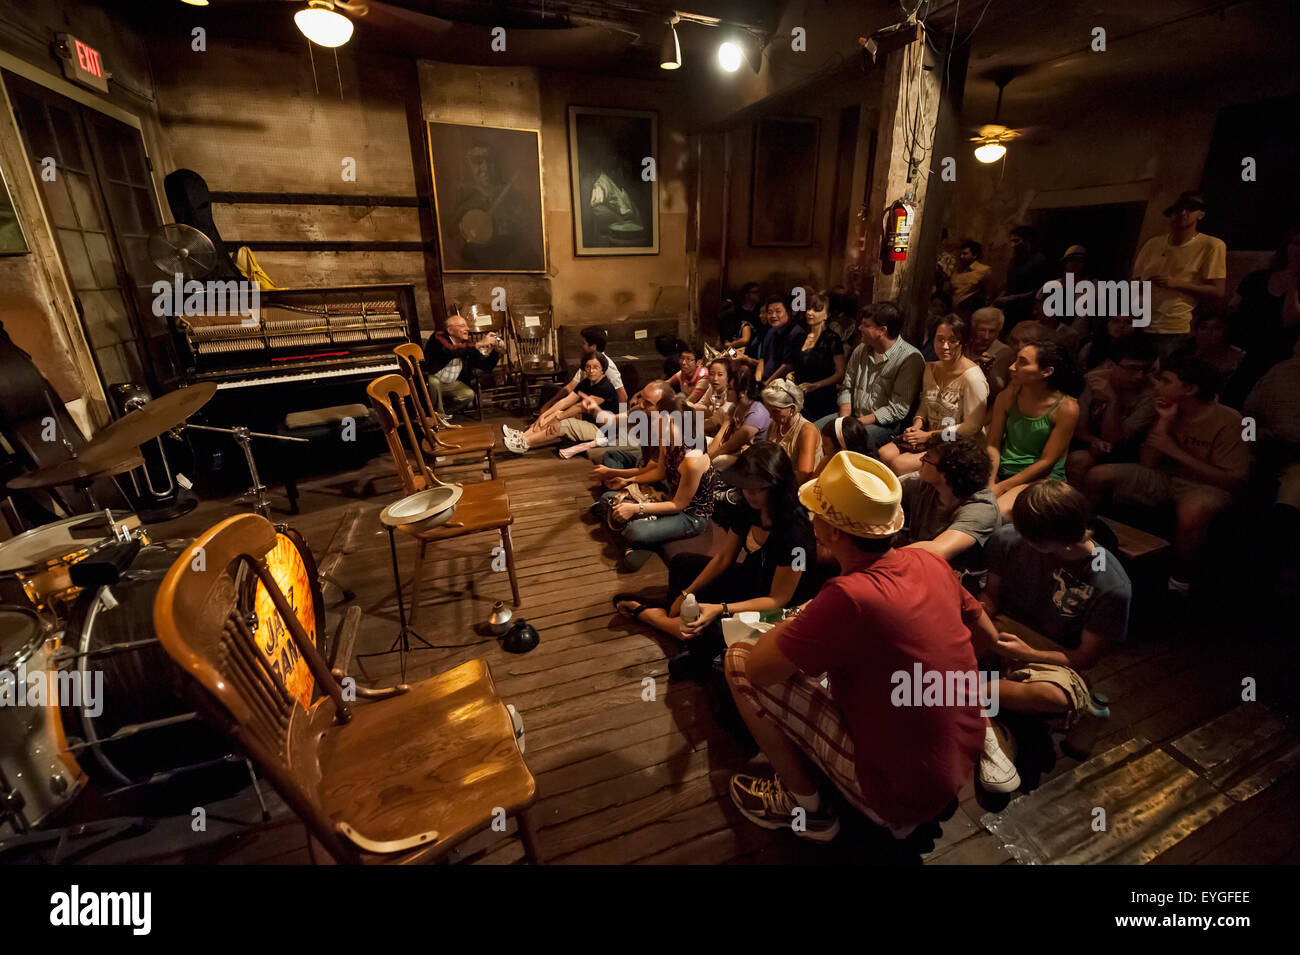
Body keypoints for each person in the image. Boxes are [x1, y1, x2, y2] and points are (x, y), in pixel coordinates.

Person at [722, 451, 990, 839]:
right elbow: (982, 632)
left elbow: (759, 669)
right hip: (959, 759)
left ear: (832, 531)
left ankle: (807, 809)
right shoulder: (927, 559)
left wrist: (803, 617)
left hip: (898, 795)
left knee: (737, 660)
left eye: (816, 513)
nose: (811, 520)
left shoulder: (850, 596)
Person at [613, 442, 818, 680]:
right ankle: (683, 625)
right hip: (752, 579)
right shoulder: (749, 508)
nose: (750, 493)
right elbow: (723, 558)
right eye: (745, 486)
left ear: (777, 486)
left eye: (758, 488)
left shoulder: (796, 533)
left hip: (778, 606)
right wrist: (685, 593)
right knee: (682, 563)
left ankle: (652, 617)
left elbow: (777, 599)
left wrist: (719, 609)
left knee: (713, 629)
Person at [978, 481, 1131, 761]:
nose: (1017, 533)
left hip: (1052, 652)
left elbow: (1085, 658)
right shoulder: (1007, 539)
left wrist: (1029, 654)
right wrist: (976, 613)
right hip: (1003, 625)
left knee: (1055, 697)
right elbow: (991, 597)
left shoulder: (1110, 582)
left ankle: (962, 692)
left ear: (1044, 540)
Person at [1082, 355, 1247, 595]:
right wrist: (1164, 422)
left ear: (1189, 389)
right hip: (1166, 477)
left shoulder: (1231, 421)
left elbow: (1233, 482)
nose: (1156, 385)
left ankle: (1179, 583)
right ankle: (1083, 544)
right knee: (1097, 475)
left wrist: (1173, 450)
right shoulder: (1168, 409)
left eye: (1165, 381)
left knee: (1193, 510)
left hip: (1208, 485)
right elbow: (1148, 463)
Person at [606, 401, 726, 569]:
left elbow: (679, 505)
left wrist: (636, 509)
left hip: (691, 516)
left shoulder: (693, 460)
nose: (658, 426)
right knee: (608, 499)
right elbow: (659, 473)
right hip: (669, 498)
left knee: (633, 530)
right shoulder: (667, 441)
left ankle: (643, 537)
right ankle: (647, 536)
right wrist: (628, 481)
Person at [879, 314, 988, 476]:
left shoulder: (973, 378)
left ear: (962, 342)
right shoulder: (930, 369)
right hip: (930, 437)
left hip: (957, 443)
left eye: (952, 341)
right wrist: (916, 426)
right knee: (884, 453)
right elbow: (924, 407)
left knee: (899, 464)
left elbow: (972, 427)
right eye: (940, 339)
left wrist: (927, 435)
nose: (945, 346)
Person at [986, 340, 1080, 519]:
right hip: (1001, 473)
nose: (1012, 367)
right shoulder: (1007, 396)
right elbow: (993, 443)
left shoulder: (1067, 408)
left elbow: (1047, 462)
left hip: (1039, 480)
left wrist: (1002, 487)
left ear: (1046, 372)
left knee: (994, 515)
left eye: (1022, 362)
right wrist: (990, 481)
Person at [1132, 191, 1227, 358]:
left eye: (1190, 209)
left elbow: (1218, 291)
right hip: (1141, 321)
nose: (1183, 213)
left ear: (1200, 214)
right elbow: (1134, 281)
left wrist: (1177, 284)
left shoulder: (1211, 245)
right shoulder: (1153, 244)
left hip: (1173, 326)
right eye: (1178, 209)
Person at [898, 436, 1001, 586]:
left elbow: (937, 550)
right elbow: (883, 489)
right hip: (922, 570)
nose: (921, 461)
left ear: (947, 473)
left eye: (927, 458)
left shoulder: (981, 508)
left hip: (957, 584)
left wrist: (883, 560)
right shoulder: (925, 484)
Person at [1066, 333, 1158, 485]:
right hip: (1089, 443)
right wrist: (1094, 440)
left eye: (1146, 369)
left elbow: (1115, 440)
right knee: (1080, 459)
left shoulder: (1151, 394)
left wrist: (1113, 401)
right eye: (1132, 368)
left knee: (1085, 461)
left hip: (1128, 452)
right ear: (1111, 365)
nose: (1140, 376)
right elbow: (1078, 427)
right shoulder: (1093, 380)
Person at [834, 302, 924, 451]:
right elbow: (847, 387)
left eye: (866, 325)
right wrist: (844, 421)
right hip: (853, 417)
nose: (859, 328)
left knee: (853, 442)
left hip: (886, 425)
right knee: (816, 431)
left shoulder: (910, 358)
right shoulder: (861, 349)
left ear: (882, 330)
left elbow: (898, 408)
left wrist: (856, 424)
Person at [504, 353, 616, 453]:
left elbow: (579, 407)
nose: (591, 370)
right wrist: (544, 415)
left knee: (564, 424)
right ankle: (522, 436)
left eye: (596, 367)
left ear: (603, 369)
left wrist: (557, 418)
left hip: (603, 431)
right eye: (588, 367)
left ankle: (525, 443)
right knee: (555, 413)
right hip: (589, 422)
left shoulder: (605, 387)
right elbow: (566, 401)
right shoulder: (587, 382)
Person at [1230, 226, 1300, 379]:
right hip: (1240, 349)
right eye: (1296, 243)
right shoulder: (1256, 278)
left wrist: (1293, 285)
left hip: (1277, 355)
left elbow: (1290, 321)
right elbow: (1231, 310)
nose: (1298, 250)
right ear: (1287, 246)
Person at [534, 325, 627, 417]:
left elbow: (623, 396)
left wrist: (619, 425)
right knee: (549, 389)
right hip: (581, 397)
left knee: (561, 406)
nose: (581, 346)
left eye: (584, 343)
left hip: (593, 407)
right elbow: (570, 387)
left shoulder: (607, 365)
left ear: (593, 347)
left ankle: (545, 422)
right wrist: (550, 403)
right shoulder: (588, 361)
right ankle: (540, 421)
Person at [424, 313, 502, 415]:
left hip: (450, 384)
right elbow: (450, 350)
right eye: (462, 326)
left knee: (468, 394)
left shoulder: (466, 344)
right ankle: (438, 418)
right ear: (450, 330)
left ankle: (442, 414)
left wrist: (495, 350)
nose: (468, 329)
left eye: (466, 325)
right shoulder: (438, 336)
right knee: (434, 381)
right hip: (431, 382)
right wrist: (479, 344)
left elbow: (486, 366)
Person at [1170, 308, 1247, 408]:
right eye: (1203, 327)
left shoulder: (1240, 360)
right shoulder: (1182, 354)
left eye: (1217, 328)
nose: (1208, 332)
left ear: (1227, 332)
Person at [787, 291, 846, 422]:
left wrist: (816, 385)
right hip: (800, 396)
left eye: (816, 309)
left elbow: (840, 374)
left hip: (822, 398)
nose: (810, 312)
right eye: (808, 308)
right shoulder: (801, 336)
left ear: (826, 315)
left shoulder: (832, 339)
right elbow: (799, 365)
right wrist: (792, 375)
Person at [588, 379, 667, 470]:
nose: (641, 404)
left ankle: (623, 481)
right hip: (644, 462)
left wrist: (614, 473)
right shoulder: (640, 410)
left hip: (657, 471)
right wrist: (595, 408)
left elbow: (656, 471)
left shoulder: (667, 426)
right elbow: (611, 421)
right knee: (611, 456)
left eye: (648, 403)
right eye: (640, 397)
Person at [708, 364, 770, 469]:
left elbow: (729, 446)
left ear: (743, 392)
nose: (726, 391)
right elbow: (722, 436)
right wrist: (726, 422)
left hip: (753, 460)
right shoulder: (736, 405)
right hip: (736, 450)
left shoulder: (756, 414)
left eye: (730, 389)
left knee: (717, 461)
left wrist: (707, 460)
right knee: (702, 444)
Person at [761, 379, 822, 484]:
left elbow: (804, 474)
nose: (771, 416)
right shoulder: (775, 425)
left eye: (776, 411)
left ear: (792, 409)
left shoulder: (807, 431)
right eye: (769, 411)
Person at [994, 226, 1052, 326]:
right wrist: (1001, 297)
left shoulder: (1039, 260)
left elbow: (1040, 290)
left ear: (1027, 240)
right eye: (1011, 241)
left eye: (1016, 241)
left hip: (1029, 310)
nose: (1012, 245)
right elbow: (1010, 284)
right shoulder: (1014, 260)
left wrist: (1012, 298)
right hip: (1011, 310)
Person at [988, 320, 1045, 402]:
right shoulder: (1007, 357)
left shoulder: (1043, 365)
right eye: (1016, 342)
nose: (1020, 346)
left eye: (1026, 342)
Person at [756, 296, 807, 384]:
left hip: (784, 383)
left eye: (778, 311)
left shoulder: (797, 333)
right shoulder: (770, 332)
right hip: (765, 381)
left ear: (788, 312)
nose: (773, 315)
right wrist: (758, 381)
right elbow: (762, 359)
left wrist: (767, 384)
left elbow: (787, 366)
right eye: (770, 312)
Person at [685, 357, 733, 435]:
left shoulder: (731, 394)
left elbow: (715, 422)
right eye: (711, 374)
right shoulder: (712, 388)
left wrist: (690, 428)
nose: (715, 378)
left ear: (728, 377)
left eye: (720, 375)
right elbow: (700, 404)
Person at [968, 306, 1010, 393]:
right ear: (974, 329)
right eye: (982, 330)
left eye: (992, 331)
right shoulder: (964, 346)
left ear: (999, 332)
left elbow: (997, 390)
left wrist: (987, 372)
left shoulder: (1005, 353)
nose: (986, 337)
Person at [949, 240, 992, 313]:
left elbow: (987, 294)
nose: (961, 256)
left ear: (974, 255)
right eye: (960, 254)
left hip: (969, 310)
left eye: (965, 254)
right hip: (953, 309)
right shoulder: (956, 270)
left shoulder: (983, 270)